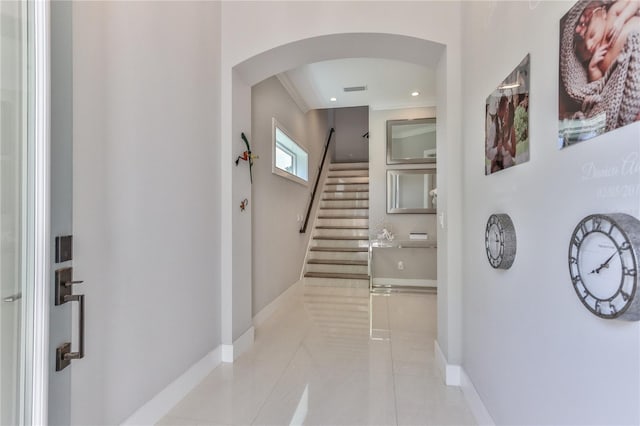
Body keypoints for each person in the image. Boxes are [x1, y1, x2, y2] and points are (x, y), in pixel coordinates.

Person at [574, 0, 640, 81]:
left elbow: (635, 2)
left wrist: (622, 19)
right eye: (585, 49)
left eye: (592, 35)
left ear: (603, 14)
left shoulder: (612, 15)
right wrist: (593, 69)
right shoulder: (598, 62)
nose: (589, 46)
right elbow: (600, 83)